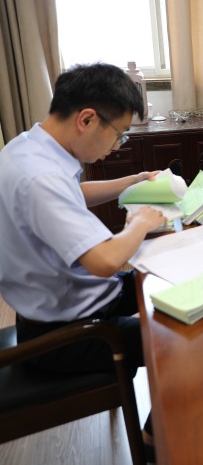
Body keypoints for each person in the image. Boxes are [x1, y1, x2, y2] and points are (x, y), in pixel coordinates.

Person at [0, 63, 166, 459]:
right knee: (182, 341)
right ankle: (154, 441)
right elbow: (105, 261)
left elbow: (74, 193)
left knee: (169, 284)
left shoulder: (28, 146)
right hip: (66, 335)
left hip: (65, 299)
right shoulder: (40, 178)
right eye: (119, 134)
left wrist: (132, 181)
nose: (117, 146)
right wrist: (140, 224)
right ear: (87, 119)